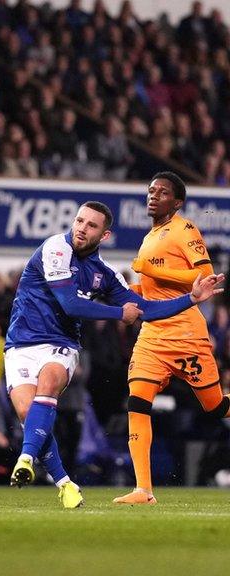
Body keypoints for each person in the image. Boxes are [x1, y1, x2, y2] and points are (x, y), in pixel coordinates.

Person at [5, 200, 223, 508]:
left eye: (91, 225)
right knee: (29, 416)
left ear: (104, 235)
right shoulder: (55, 248)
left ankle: (26, 458)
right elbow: (70, 303)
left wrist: (190, 298)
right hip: (20, 345)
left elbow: (145, 310)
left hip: (61, 344)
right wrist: (119, 312)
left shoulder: (103, 274)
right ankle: (65, 483)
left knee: (49, 383)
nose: (81, 228)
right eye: (79, 221)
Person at [116, 172, 230, 505]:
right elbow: (153, 291)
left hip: (185, 335)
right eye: (151, 190)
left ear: (176, 202)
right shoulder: (150, 236)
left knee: (216, 407)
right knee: (136, 401)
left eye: (162, 192)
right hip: (153, 334)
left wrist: (152, 270)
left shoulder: (184, 229)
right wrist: (125, 292)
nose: (153, 195)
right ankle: (143, 490)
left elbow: (205, 276)